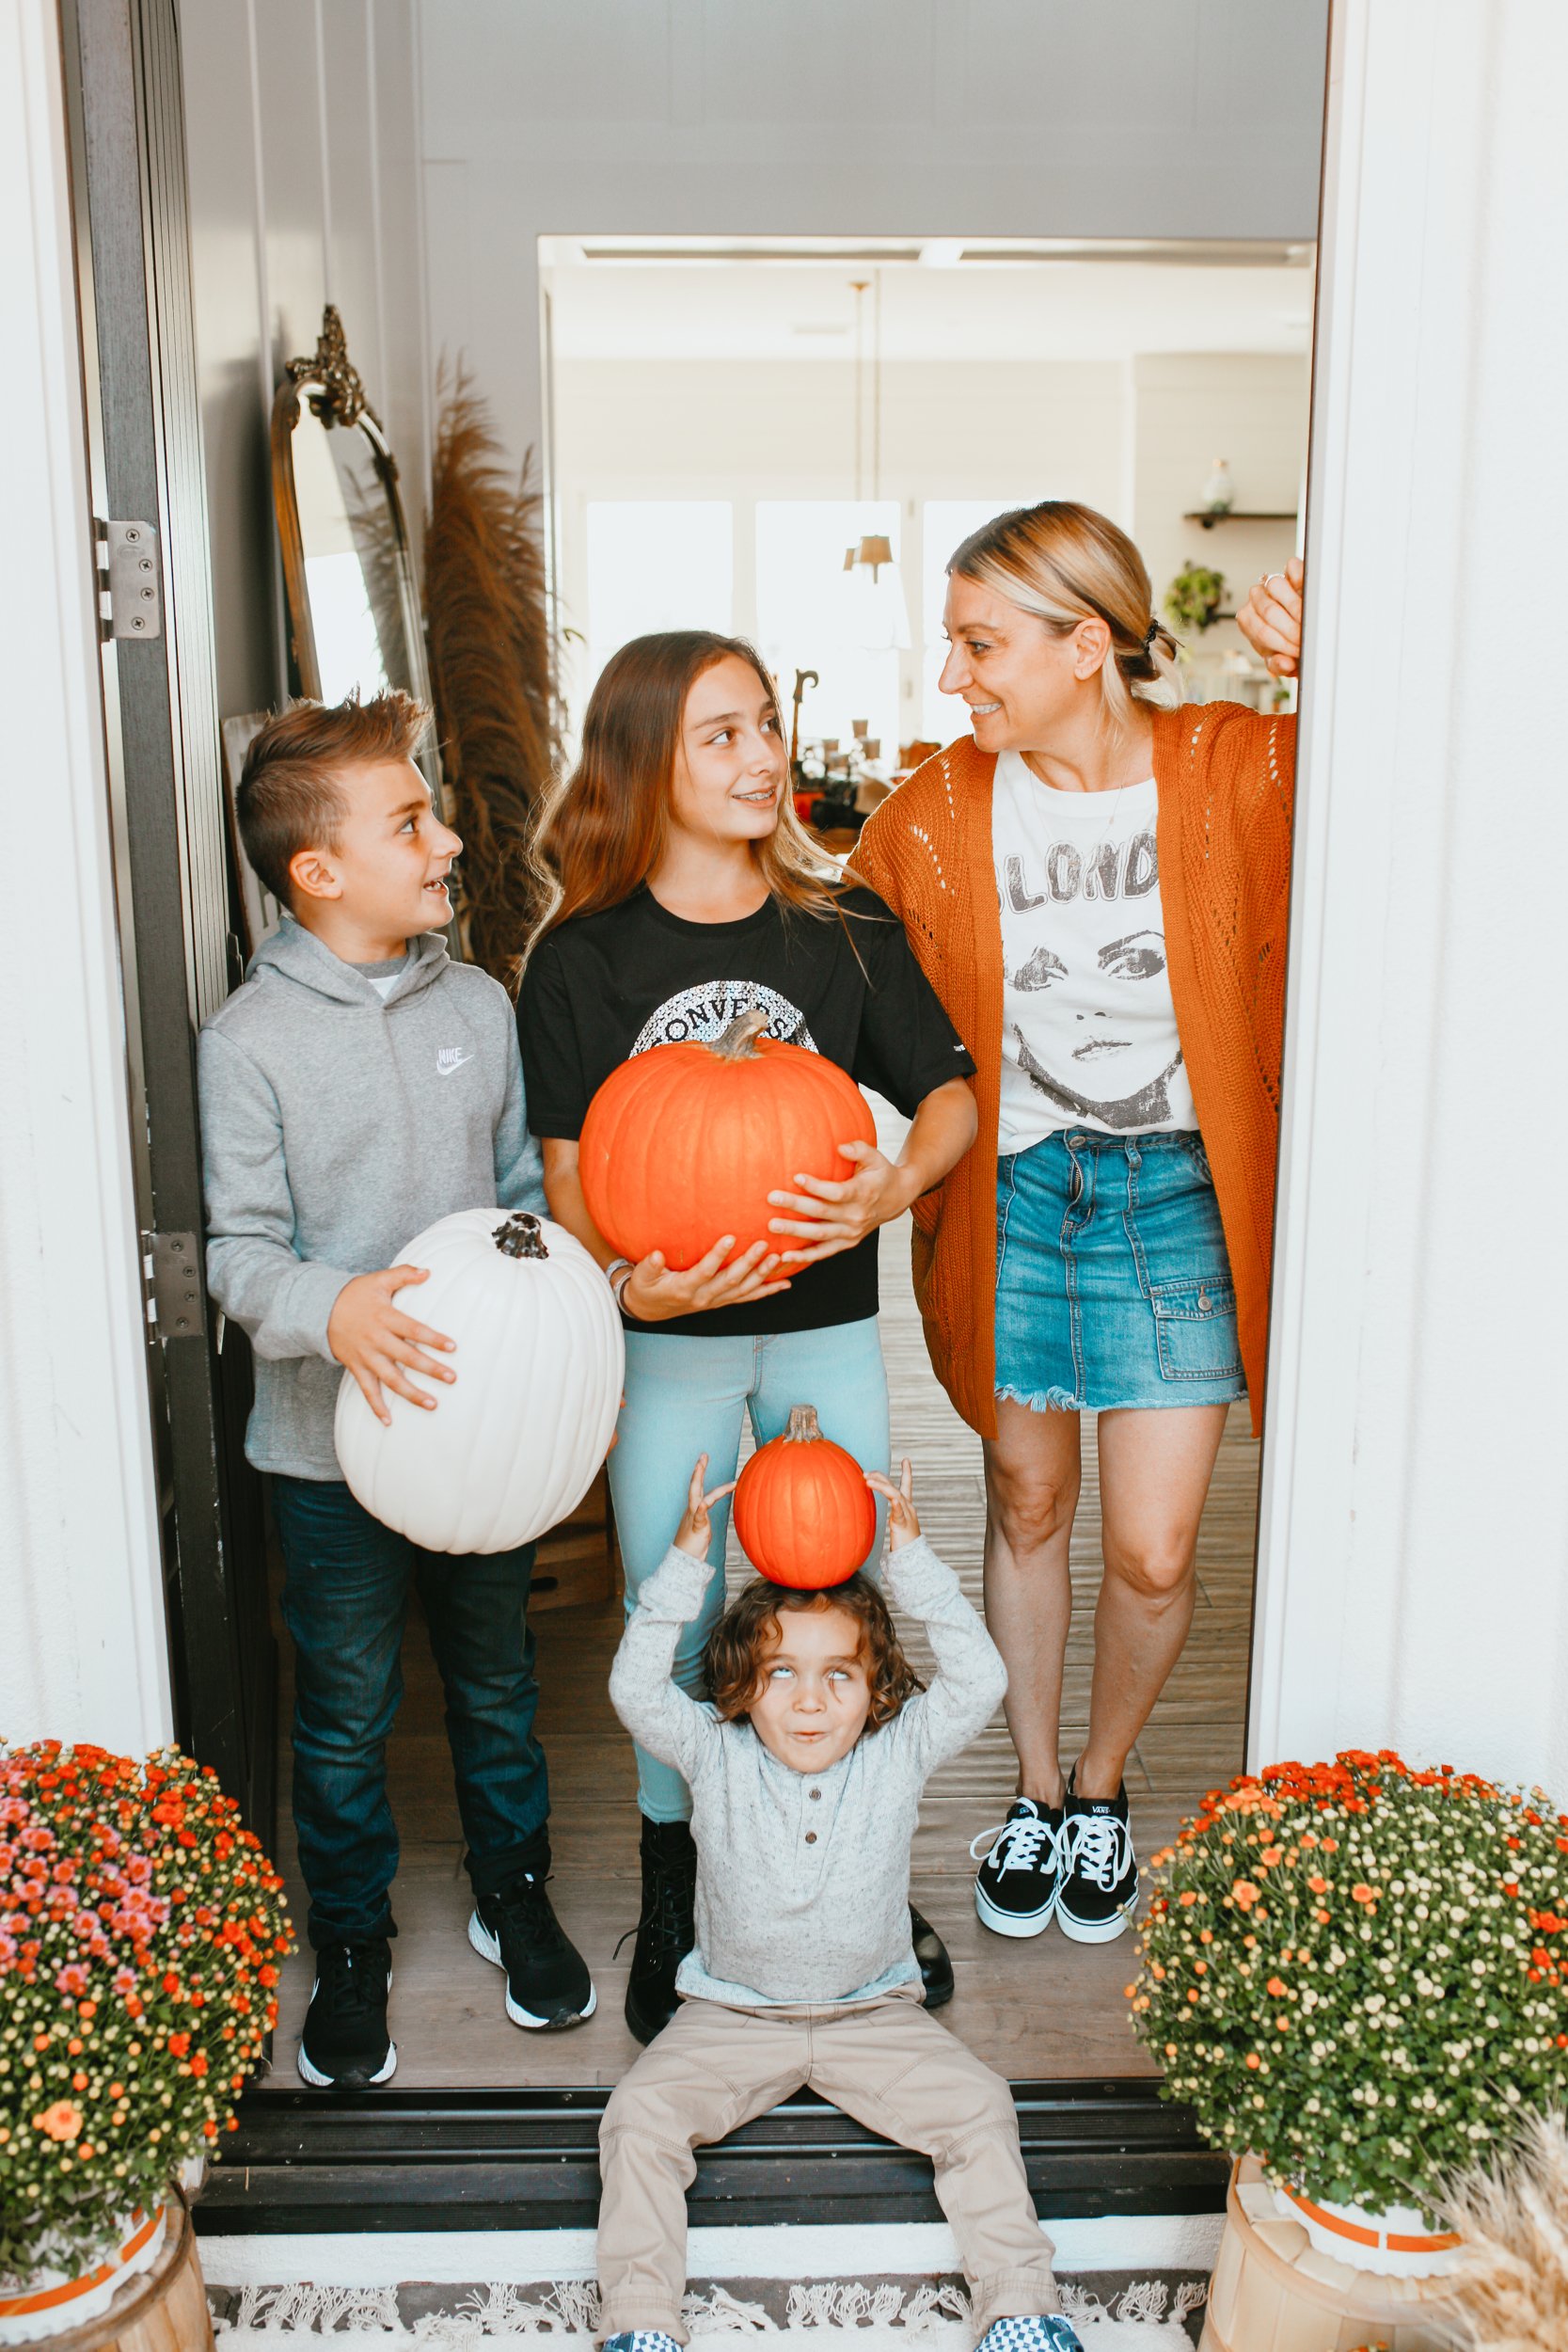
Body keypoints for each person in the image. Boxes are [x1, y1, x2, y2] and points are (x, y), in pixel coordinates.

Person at [516, 630, 978, 2043]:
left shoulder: (841, 932)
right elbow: (567, 1178)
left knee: (839, 1595)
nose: (760, 755)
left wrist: (897, 1182)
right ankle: (679, 1880)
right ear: (644, 760)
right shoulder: (581, 961)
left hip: (826, 1335)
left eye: (766, 724)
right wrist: (621, 1284)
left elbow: (950, 1094)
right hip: (674, 1352)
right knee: (679, 1610)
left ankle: (856, 1866)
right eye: (720, 732)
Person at [855, 506, 1299, 1948]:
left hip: (1177, 1190)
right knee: (1029, 1504)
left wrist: (1331, 660)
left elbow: (1401, 805)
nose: (954, 678)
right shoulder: (928, 813)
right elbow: (829, 969)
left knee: (1158, 1549)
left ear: (1084, 646)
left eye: (979, 645)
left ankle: (1105, 1787)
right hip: (1017, 1194)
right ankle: (1036, 1793)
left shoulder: (1231, 765)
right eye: (953, 645)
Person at [198, 691, 594, 2091]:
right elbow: (237, 1257)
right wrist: (338, 1309)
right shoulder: (247, 1044)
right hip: (322, 1461)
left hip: (480, 1454)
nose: (443, 844)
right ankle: (351, 1939)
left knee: (496, 1688)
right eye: (410, 822)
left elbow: (515, 1211)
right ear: (319, 872)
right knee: (347, 1713)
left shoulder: (478, 1007)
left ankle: (513, 1890)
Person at [594, 1453, 1083, 2352]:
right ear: (739, 1688)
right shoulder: (713, 1751)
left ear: (877, 1692)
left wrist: (912, 1563)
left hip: (875, 2014)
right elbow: (633, 1689)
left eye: (839, 1677)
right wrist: (683, 1566)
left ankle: (1019, 2305)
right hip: (731, 2015)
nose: (810, 1701)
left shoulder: (896, 1753)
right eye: (780, 1674)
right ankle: (640, 2323)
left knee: (978, 2107)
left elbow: (979, 1679)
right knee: (636, 2120)